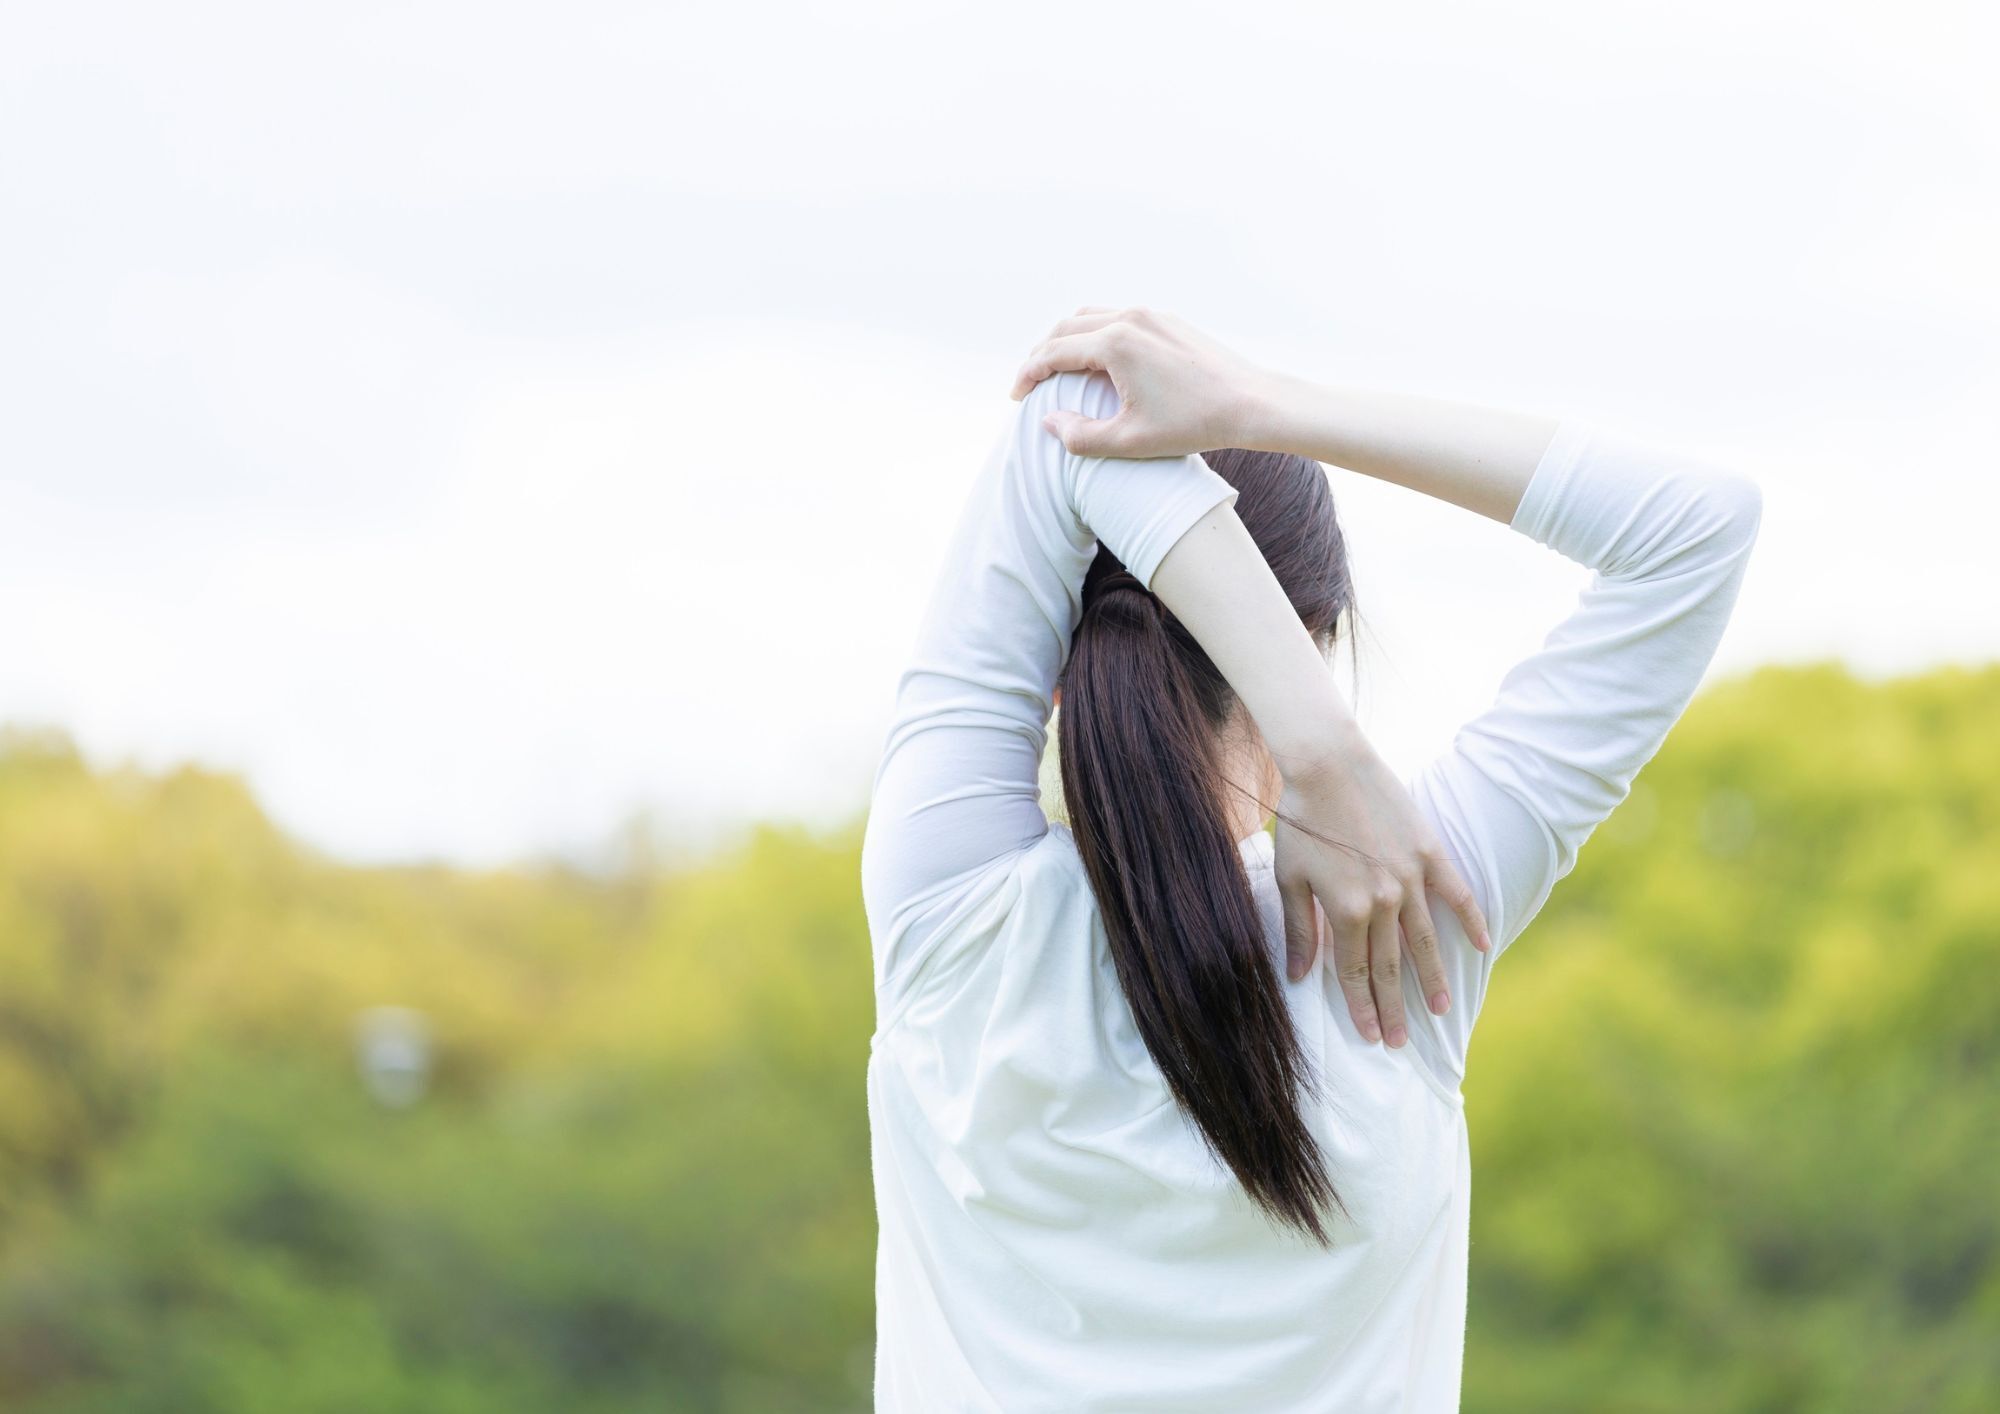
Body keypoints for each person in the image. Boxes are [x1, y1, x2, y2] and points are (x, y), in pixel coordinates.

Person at [859, 307, 1763, 1411]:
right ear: (1313, 631)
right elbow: (1697, 526)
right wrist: (1263, 407)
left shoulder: (946, 913)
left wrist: (1314, 741)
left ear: (1052, 662)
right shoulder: (1404, 922)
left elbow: (1068, 412)